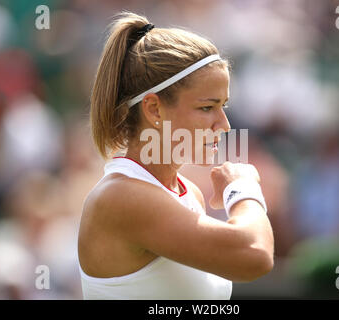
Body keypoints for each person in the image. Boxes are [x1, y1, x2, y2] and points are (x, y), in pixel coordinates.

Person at [77, 11, 274, 300]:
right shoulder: (120, 197)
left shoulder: (188, 193)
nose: (224, 125)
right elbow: (254, 255)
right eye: (207, 107)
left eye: (224, 106)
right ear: (154, 109)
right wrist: (242, 189)